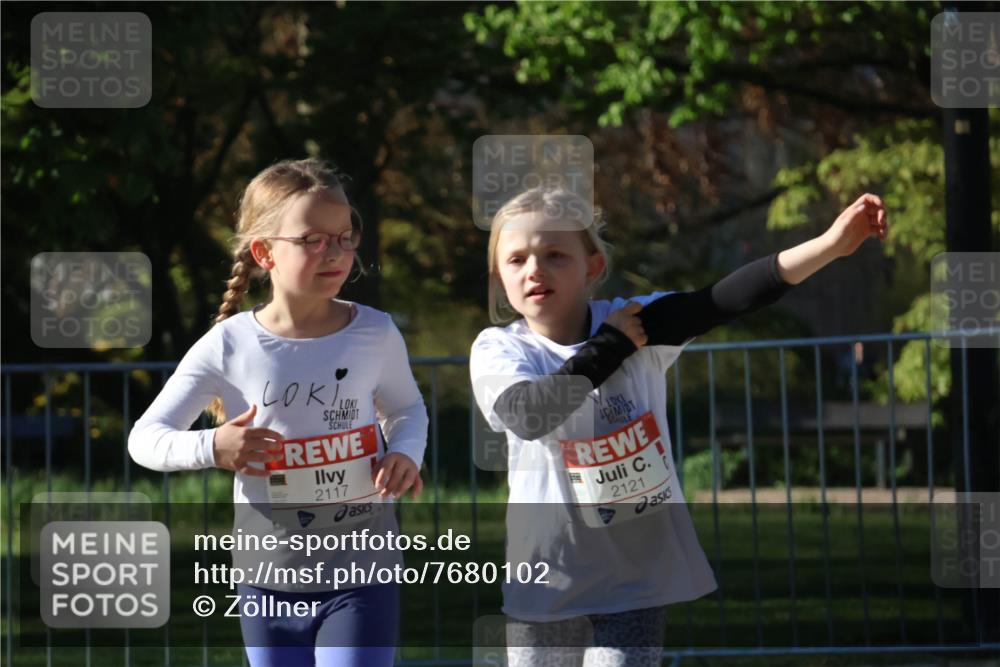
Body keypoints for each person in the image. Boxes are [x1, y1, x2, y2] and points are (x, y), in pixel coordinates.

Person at [469, 186, 888, 666]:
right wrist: (609, 348)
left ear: (593, 267)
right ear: (500, 278)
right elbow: (528, 415)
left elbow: (725, 299)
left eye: (555, 254)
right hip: (547, 584)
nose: (534, 269)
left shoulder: (637, 323)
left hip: (635, 584)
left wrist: (832, 244)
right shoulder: (500, 350)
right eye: (516, 260)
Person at [128, 158, 428, 667]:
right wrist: (211, 447)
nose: (335, 252)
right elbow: (145, 439)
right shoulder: (229, 343)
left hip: (362, 576)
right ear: (264, 252)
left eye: (343, 236)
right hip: (266, 580)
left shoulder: (375, 332)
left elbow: (407, 408)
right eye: (312, 239)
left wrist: (404, 451)